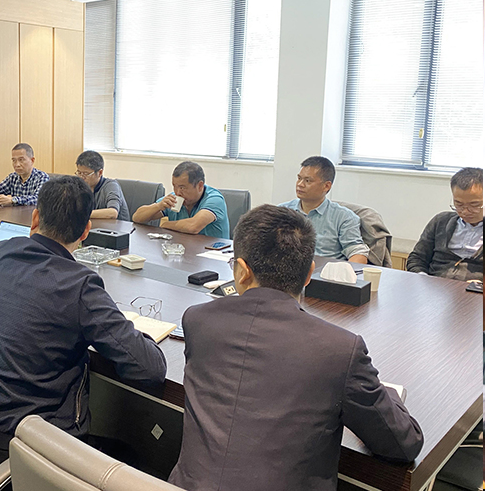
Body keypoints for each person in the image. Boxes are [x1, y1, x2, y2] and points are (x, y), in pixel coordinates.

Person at [168, 205, 424, 491]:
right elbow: (403, 443)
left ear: (241, 270)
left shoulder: (198, 320)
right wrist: (389, 395)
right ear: (309, 273)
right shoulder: (339, 349)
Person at [0, 176, 167, 465]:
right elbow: (150, 368)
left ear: (35, 218)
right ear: (86, 231)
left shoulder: (2, 253)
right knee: (136, 457)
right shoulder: (80, 285)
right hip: (37, 448)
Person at [279, 156, 369, 263]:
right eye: (299, 178)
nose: (300, 184)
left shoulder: (344, 217)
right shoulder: (282, 212)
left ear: (326, 186)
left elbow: (358, 253)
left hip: (325, 270)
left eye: (307, 181)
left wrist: (343, 271)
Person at [407, 167, 483, 280]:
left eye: (474, 205)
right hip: (434, 285)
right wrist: (423, 278)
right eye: (459, 204)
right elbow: (417, 258)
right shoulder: (440, 221)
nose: (465, 211)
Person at [132, 161, 229, 238]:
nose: (177, 192)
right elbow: (137, 217)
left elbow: (193, 226)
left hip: (213, 253)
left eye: (182, 187)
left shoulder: (214, 199)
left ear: (200, 186)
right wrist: (159, 206)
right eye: (174, 186)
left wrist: (166, 225)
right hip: (183, 249)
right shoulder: (174, 198)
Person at [0, 143, 49, 207]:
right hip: (16, 213)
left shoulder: (42, 177)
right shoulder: (13, 177)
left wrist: (13, 200)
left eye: (21, 160)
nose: (17, 164)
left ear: (32, 160)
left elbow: (38, 199)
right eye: (14, 160)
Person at [75, 150, 130, 220]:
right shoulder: (80, 186)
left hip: (116, 226)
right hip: (94, 225)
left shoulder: (111, 186)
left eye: (86, 174)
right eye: (79, 173)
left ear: (100, 173)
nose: (82, 177)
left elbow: (113, 213)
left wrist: (81, 215)